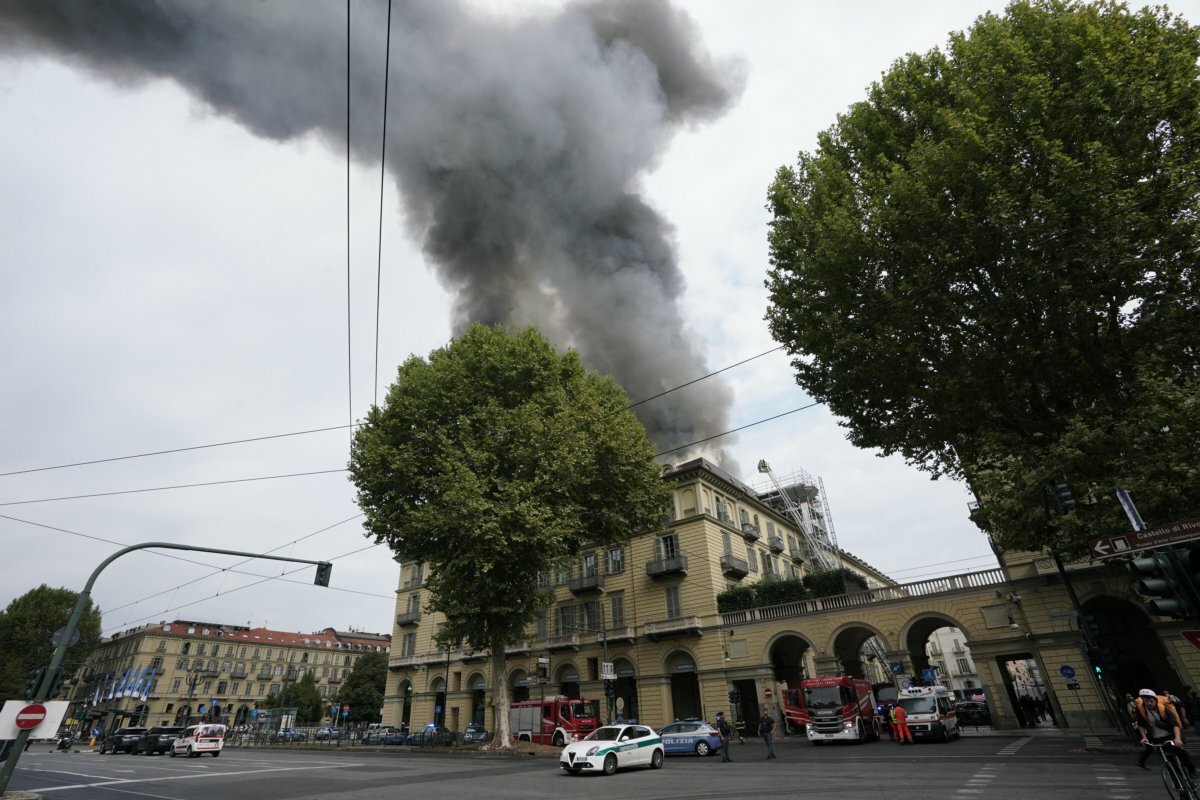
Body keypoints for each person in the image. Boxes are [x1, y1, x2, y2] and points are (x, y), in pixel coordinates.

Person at [1135, 688, 1197, 776]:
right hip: (1157, 739)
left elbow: (1175, 725)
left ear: (1155, 700)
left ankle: (1192, 770)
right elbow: (1140, 724)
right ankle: (1179, 784)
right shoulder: (1141, 709)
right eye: (1146, 701)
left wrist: (1177, 738)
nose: (1149, 703)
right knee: (1170, 763)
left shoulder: (1163, 709)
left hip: (1170, 736)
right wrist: (1144, 737)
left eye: (1151, 701)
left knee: (1181, 752)